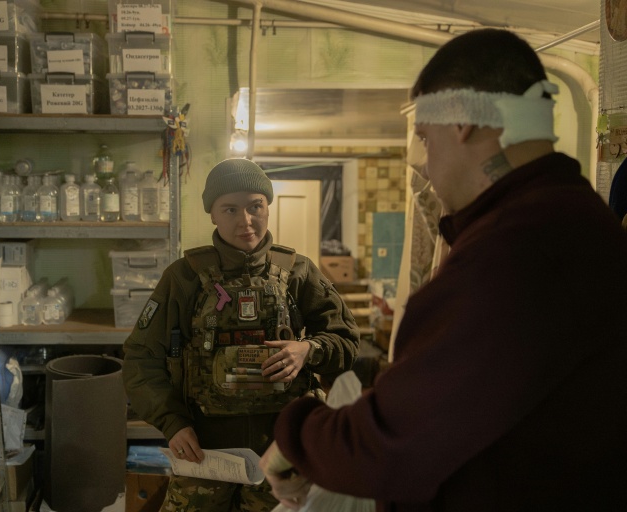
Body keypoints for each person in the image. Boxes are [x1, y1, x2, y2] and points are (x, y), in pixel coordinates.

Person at [259, 28, 627, 512]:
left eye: (425, 140)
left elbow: (395, 441)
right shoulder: (575, 220)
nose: (427, 169)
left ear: (463, 123)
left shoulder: (517, 249)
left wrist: (296, 437)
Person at [122, 158, 360, 511]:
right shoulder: (184, 278)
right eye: (230, 209)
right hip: (204, 454)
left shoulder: (299, 272)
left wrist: (308, 349)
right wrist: (173, 424)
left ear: (268, 207)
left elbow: (347, 341)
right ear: (213, 214)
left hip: (281, 457)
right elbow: (141, 359)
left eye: (255, 206)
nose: (245, 220)